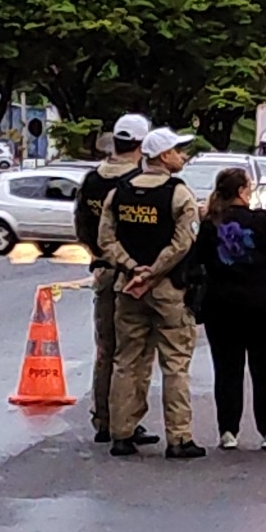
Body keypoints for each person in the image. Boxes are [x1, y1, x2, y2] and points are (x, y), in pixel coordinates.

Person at [99, 126, 204, 459]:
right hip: (168, 289)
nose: (182, 156)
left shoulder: (119, 192)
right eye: (176, 151)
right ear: (162, 156)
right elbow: (184, 242)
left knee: (126, 361)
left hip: (127, 288)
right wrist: (153, 272)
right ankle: (179, 437)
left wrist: (132, 268)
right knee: (175, 363)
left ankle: (121, 433)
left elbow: (106, 240)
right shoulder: (179, 194)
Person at [195, 167, 266, 450]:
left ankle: (228, 431)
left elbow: (196, 260)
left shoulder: (210, 224)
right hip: (262, 305)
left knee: (226, 369)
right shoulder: (262, 221)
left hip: (221, 305)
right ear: (244, 192)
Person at [74, 113, 159, 447]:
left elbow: (81, 225)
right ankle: (128, 419)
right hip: (135, 273)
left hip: (103, 270)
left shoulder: (92, 180)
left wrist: (96, 256)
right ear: (141, 144)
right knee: (133, 353)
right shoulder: (139, 181)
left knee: (105, 349)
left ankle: (103, 419)